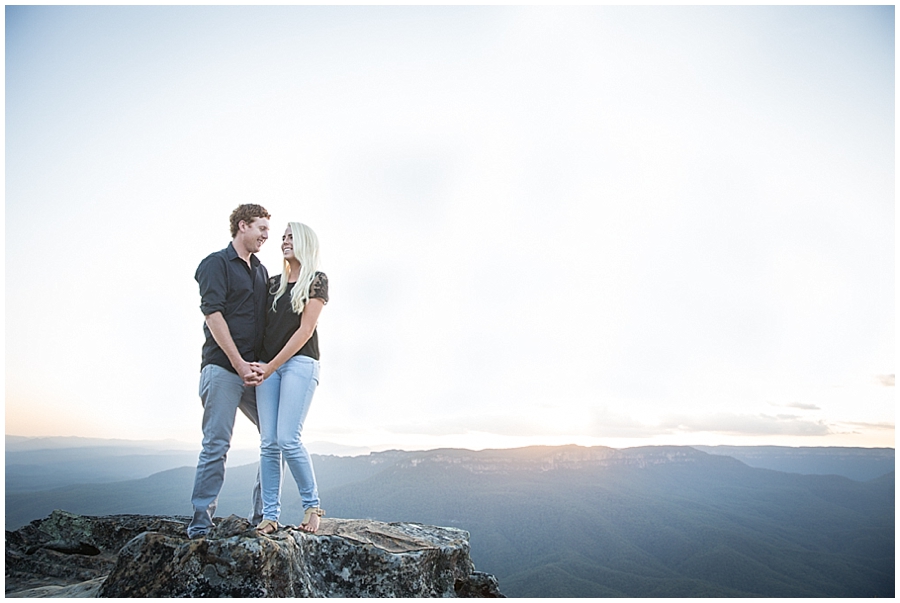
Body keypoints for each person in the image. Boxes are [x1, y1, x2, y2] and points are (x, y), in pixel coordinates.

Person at [187, 204, 271, 538]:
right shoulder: (215, 264)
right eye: (261, 228)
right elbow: (213, 315)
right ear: (242, 225)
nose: (266, 236)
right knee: (216, 445)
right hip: (223, 368)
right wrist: (238, 364)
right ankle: (200, 526)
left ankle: (263, 517)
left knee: (278, 438)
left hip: (255, 373)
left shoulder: (261, 272)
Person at [251, 222, 328, 535]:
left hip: (300, 364)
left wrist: (271, 366)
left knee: (287, 439)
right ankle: (269, 516)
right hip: (266, 366)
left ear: (305, 242)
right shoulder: (272, 283)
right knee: (268, 443)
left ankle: (312, 507)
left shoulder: (317, 280)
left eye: (291, 237)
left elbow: (305, 330)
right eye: (282, 237)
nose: (284, 241)